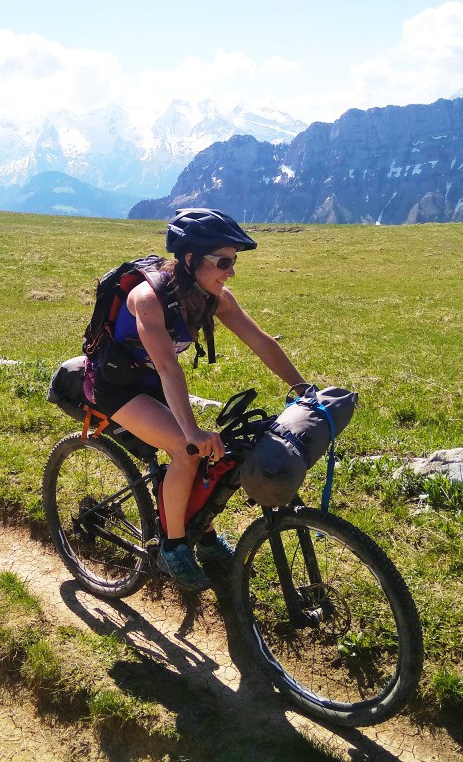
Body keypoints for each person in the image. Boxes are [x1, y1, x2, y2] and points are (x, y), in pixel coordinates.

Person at [92, 208, 307, 591]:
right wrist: (190, 430)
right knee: (186, 448)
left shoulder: (214, 297)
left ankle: (201, 533)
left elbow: (262, 342)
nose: (231, 272)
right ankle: (172, 547)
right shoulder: (148, 298)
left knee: (214, 452)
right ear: (190, 260)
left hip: (153, 379)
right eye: (223, 262)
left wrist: (303, 389)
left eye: (234, 262)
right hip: (119, 384)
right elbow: (167, 367)